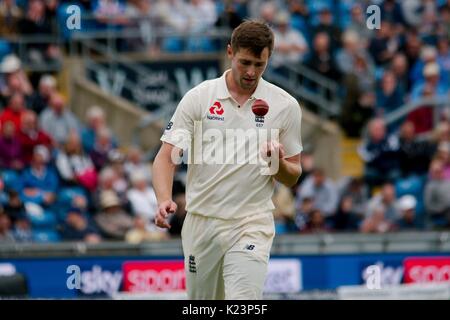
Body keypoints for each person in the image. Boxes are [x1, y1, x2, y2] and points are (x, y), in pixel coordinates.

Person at [152, 20, 303, 300]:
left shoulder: (285, 106)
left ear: (269, 58)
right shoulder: (199, 98)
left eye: (259, 64)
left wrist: (278, 163)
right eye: (245, 62)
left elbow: (293, 175)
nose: (251, 72)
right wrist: (163, 199)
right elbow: (166, 157)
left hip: (251, 222)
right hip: (201, 222)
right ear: (230, 52)